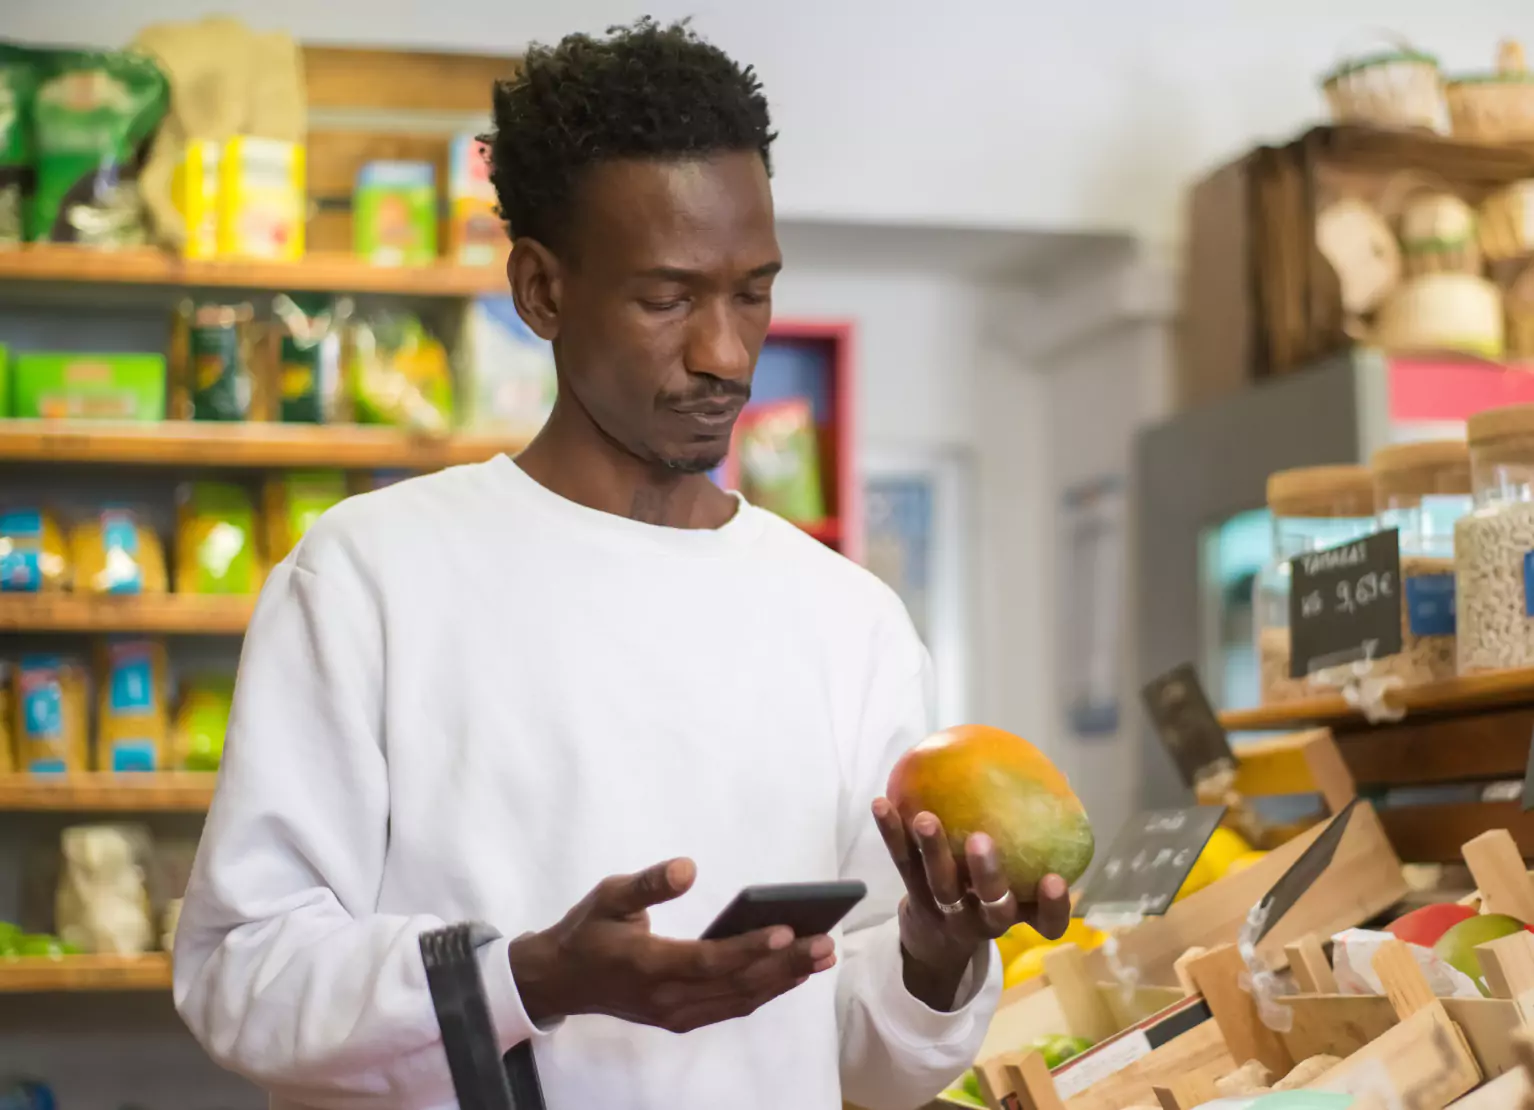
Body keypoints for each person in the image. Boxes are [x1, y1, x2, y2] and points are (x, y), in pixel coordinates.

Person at [173, 18, 1070, 1110]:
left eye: (752, 291)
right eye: (668, 298)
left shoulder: (849, 621)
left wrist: (934, 953)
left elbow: (865, 1064)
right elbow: (242, 972)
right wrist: (530, 979)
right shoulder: (369, 579)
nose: (726, 353)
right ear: (541, 291)